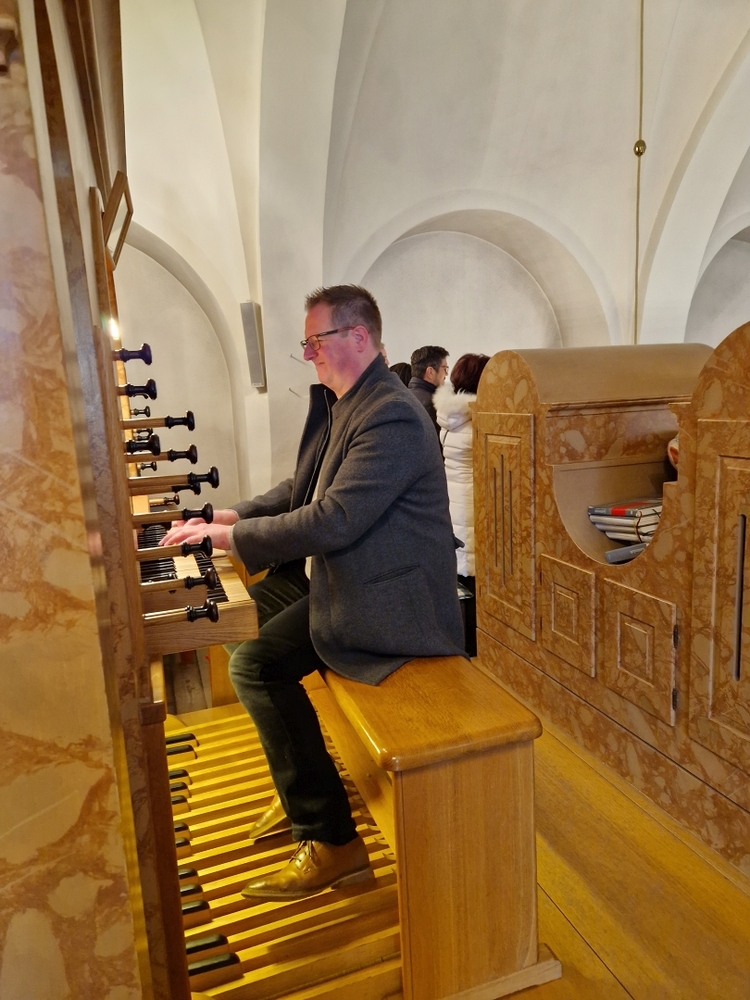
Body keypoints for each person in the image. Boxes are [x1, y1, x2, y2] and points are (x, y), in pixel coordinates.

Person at [161, 285, 465, 901]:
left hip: (393, 604)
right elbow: (301, 488)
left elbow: (334, 518)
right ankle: (299, 769)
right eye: (306, 343)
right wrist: (228, 516)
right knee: (235, 618)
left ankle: (331, 840)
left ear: (359, 336)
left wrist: (229, 540)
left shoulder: (391, 414)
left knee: (255, 666)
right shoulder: (349, 402)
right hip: (348, 579)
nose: (309, 354)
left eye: (315, 341)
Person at [433, 352, 490, 657]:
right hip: (473, 503)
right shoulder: (477, 420)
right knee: (476, 580)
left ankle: (461, 642)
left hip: (453, 502)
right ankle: (476, 647)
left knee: (461, 578)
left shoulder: (450, 417)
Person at [408, 345, 449, 439]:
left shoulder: (403, 396)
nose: (446, 373)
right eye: (445, 368)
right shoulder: (432, 403)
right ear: (430, 372)